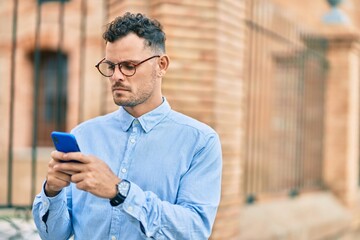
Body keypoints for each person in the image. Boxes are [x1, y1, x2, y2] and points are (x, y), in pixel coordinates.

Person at [32, 12, 222, 240]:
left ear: (161, 65)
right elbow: (55, 236)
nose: (116, 76)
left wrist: (120, 192)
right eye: (111, 66)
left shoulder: (200, 141)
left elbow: (194, 229)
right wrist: (52, 192)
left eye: (129, 66)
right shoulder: (84, 135)